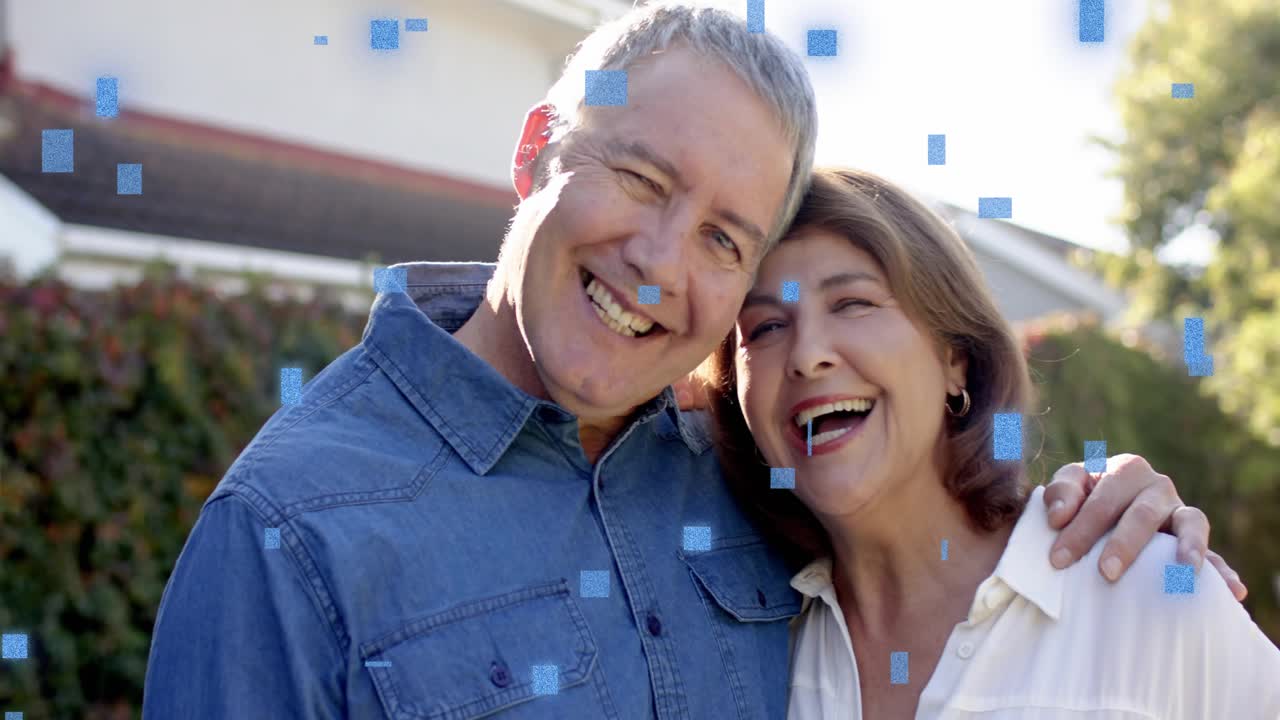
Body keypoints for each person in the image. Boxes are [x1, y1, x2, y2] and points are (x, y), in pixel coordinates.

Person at [142, 4, 1242, 718]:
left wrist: (1115, 504)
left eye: (724, 238)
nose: (659, 266)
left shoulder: (745, 484)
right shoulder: (288, 534)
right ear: (535, 153)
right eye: (638, 178)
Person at [698, 167, 1280, 718]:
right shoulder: (739, 647)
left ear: (955, 359)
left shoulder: (1151, 598)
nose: (806, 354)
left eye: (853, 303)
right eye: (767, 327)